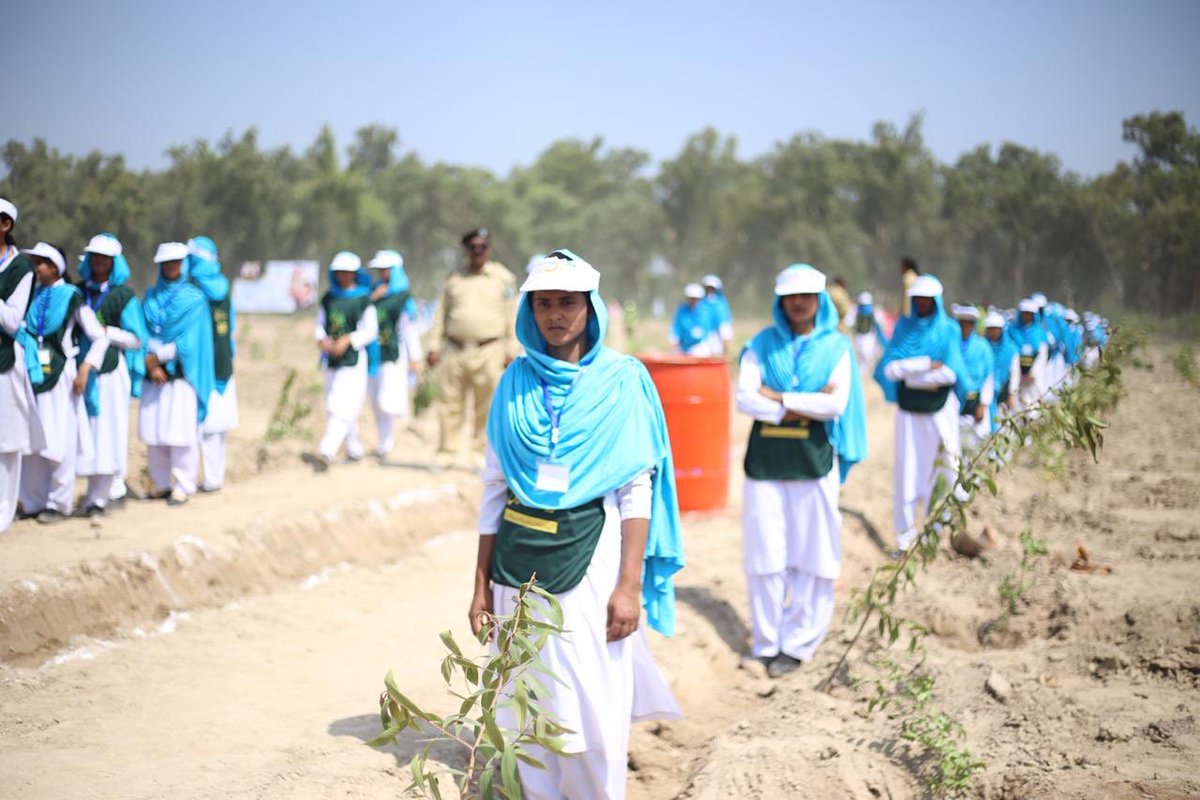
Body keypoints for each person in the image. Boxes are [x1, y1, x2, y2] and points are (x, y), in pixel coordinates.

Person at [470, 249, 685, 799]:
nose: (555, 315)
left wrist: (629, 586)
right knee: (527, 687)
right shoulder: (514, 382)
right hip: (518, 561)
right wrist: (479, 588)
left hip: (592, 558)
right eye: (544, 303)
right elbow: (495, 488)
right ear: (529, 311)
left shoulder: (622, 381)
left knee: (590, 689)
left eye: (568, 302)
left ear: (590, 308)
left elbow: (638, 490)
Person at [735, 264, 867, 678]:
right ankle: (766, 641)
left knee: (813, 554)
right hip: (765, 466)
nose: (798, 303)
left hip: (814, 464)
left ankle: (798, 643)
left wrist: (775, 396)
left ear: (819, 300)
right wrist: (804, 401)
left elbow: (835, 405)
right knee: (765, 555)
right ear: (780, 301)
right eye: (791, 296)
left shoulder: (836, 348)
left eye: (807, 296)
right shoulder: (760, 344)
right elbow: (744, 398)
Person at [874, 275, 972, 553]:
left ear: (937, 302)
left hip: (939, 412)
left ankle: (934, 533)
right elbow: (891, 370)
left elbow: (950, 373)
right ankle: (904, 540)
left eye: (928, 300)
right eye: (918, 300)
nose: (923, 305)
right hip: (908, 413)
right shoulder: (904, 328)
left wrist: (912, 373)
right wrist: (925, 365)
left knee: (943, 468)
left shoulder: (948, 331)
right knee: (906, 474)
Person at [19, 242, 107, 522]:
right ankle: (31, 502)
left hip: (61, 377)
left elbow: (99, 336)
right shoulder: (32, 296)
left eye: (41, 262)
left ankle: (58, 503)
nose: (36, 267)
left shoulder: (71, 296)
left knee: (60, 440)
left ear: (55, 267)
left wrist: (85, 369)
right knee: (32, 441)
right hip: (33, 376)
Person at [427, 228, 518, 468]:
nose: (478, 251)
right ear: (466, 250)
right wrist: (434, 345)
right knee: (449, 403)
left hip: (490, 349)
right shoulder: (454, 279)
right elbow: (440, 314)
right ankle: (446, 454)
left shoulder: (503, 278)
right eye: (473, 247)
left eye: (483, 246)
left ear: (489, 248)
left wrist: (511, 349)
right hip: (454, 349)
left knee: (486, 405)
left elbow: (512, 316)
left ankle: (479, 456)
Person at [75, 234, 147, 516]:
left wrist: (107, 333)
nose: (100, 263)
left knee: (109, 429)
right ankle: (93, 491)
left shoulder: (122, 296)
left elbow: (136, 339)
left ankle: (108, 492)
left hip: (109, 372)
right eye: (96, 257)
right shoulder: (78, 292)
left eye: (106, 258)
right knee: (88, 430)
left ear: (115, 262)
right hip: (80, 371)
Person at [140, 242, 214, 506]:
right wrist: (150, 363)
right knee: (155, 433)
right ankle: (161, 484)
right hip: (154, 376)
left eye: (176, 262)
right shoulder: (149, 297)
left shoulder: (194, 299)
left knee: (181, 434)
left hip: (181, 376)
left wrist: (159, 356)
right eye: (166, 263)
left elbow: (191, 342)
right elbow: (143, 332)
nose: (171, 267)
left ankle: (184, 485)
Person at [0, 198, 42, 532]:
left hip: (6, 361)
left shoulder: (21, 269)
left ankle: (4, 512)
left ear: (6, 225)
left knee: (6, 440)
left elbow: (14, 320)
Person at [314, 251, 378, 469]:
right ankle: (354, 448)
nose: (343, 276)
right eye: (339, 272)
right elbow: (320, 325)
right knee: (334, 404)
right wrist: (322, 340)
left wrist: (349, 339)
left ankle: (327, 449)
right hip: (331, 359)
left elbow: (370, 331)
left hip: (352, 359)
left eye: (347, 273)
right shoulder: (329, 298)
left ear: (355, 274)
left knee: (341, 404)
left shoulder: (363, 300)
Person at [187, 236, 238, 492]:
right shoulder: (225, 287)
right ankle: (213, 478)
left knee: (205, 425)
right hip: (224, 362)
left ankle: (205, 478)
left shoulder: (193, 291)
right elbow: (231, 328)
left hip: (202, 366)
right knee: (217, 428)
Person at [366, 249, 422, 459]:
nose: (382, 273)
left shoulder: (402, 298)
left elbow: (409, 330)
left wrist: (415, 357)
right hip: (373, 354)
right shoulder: (374, 293)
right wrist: (373, 297)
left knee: (386, 400)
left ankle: (388, 442)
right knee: (375, 400)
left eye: (385, 269)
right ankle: (383, 443)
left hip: (393, 353)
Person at [951, 304, 995, 453]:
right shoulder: (950, 344)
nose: (965, 326)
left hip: (974, 405)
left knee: (971, 449)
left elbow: (988, 378)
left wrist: (983, 405)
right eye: (961, 322)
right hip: (952, 405)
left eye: (968, 323)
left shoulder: (982, 347)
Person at [1008, 298, 1049, 411]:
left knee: (1032, 406)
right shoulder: (1012, 331)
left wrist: (1032, 373)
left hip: (1033, 377)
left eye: (1029, 314)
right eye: (1024, 313)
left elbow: (1042, 355)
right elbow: (1011, 352)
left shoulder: (1039, 332)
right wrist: (1018, 374)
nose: (1027, 316)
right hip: (1017, 373)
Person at [983, 311, 1019, 425]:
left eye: (996, 329)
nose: (993, 332)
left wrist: (1012, 394)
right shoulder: (982, 347)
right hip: (985, 395)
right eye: (990, 329)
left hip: (1003, 393)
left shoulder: (1010, 349)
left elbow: (1014, 373)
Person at [669, 283, 720, 356]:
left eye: (696, 299)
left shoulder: (705, 312)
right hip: (684, 346)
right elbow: (676, 328)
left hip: (700, 347)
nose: (693, 301)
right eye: (691, 298)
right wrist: (674, 342)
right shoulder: (682, 311)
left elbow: (708, 331)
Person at [847, 291, 888, 373]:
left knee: (867, 354)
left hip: (869, 336)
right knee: (860, 355)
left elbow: (879, 323)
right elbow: (849, 322)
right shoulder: (855, 311)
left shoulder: (874, 311)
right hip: (858, 336)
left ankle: (864, 372)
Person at [701, 274, 733, 354]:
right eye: (708, 288)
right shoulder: (701, 302)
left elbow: (724, 320)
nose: (710, 291)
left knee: (717, 352)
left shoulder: (720, 303)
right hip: (705, 334)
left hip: (717, 334)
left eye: (712, 289)